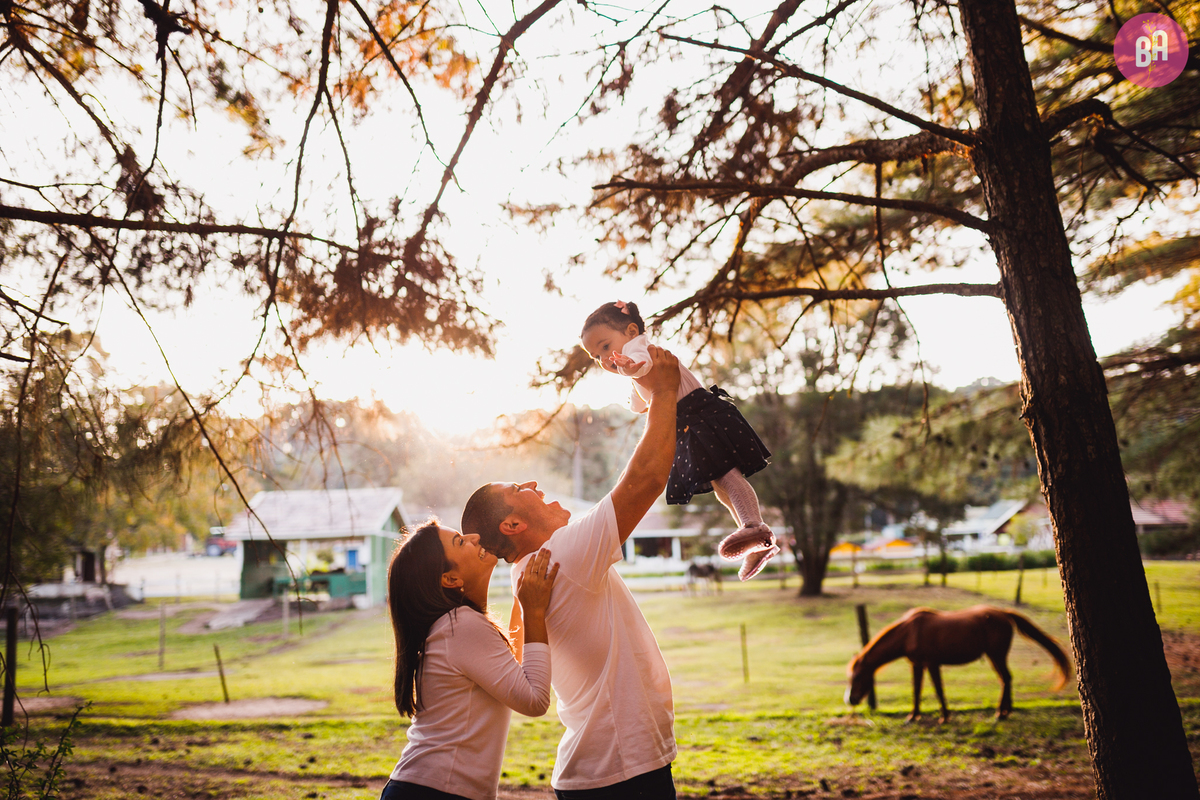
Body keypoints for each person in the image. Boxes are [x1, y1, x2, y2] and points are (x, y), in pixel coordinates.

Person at [461, 343, 681, 800]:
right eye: (519, 488)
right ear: (513, 525)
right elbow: (645, 479)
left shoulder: (531, 570)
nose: (533, 483)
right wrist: (663, 392)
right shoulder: (561, 555)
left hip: (609, 768)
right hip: (619, 773)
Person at [579, 299, 777, 580]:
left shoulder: (640, 349)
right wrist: (634, 391)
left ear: (631, 331)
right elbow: (641, 399)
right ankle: (755, 539)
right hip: (688, 421)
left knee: (726, 476)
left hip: (698, 415)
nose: (604, 358)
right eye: (596, 356)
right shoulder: (634, 359)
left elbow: (641, 365)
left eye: (605, 346)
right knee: (721, 484)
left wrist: (629, 370)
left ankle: (755, 527)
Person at [380, 520, 559, 800]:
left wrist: (525, 600)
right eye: (460, 541)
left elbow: (512, 672)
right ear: (450, 579)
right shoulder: (460, 626)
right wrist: (534, 611)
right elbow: (534, 701)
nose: (475, 536)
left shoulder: (455, 626)